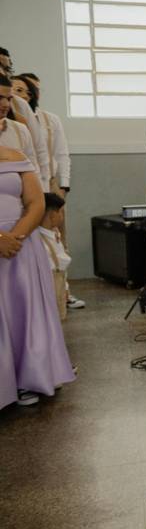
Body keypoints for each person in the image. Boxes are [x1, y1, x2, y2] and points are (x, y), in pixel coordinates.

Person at [0, 79, 76, 408]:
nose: (4, 102)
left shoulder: (17, 148)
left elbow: (35, 201)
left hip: (20, 242)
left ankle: (29, 376)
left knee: (24, 313)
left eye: (6, 97)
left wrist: (15, 237)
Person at [0, 48, 51, 191]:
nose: (3, 71)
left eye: (7, 68)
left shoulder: (20, 105)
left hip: (19, 188)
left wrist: (44, 192)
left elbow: (39, 150)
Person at [37, 192, 70, 320]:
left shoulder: (54, 234)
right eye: (61, 212)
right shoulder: (40, 242)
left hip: (59, 284)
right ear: (52, 215)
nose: (62, 216)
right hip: (48, 290)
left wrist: (65, 287)